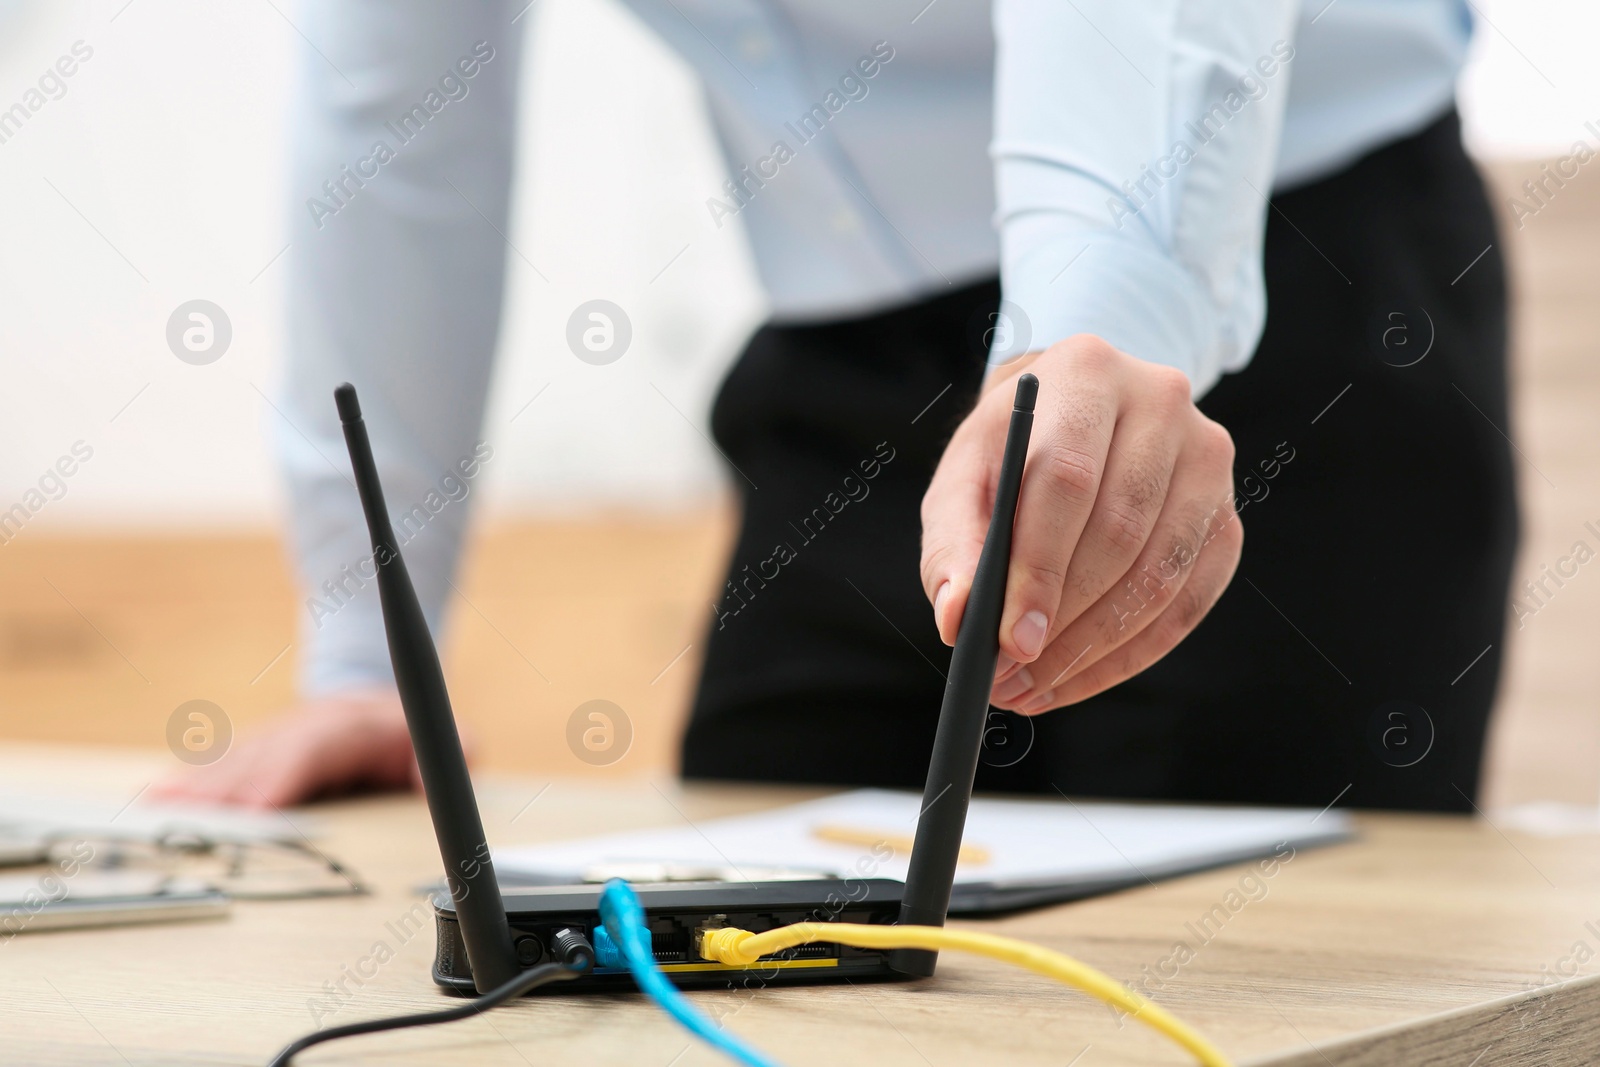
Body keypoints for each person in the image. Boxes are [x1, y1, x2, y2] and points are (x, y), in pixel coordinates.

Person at [157, 0, 1514, 814]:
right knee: (758, 954)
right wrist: (364, 657)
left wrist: (1104, 319)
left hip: (1280, 266)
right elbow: (397, 130)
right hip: (846, 348)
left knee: (1253, 991)